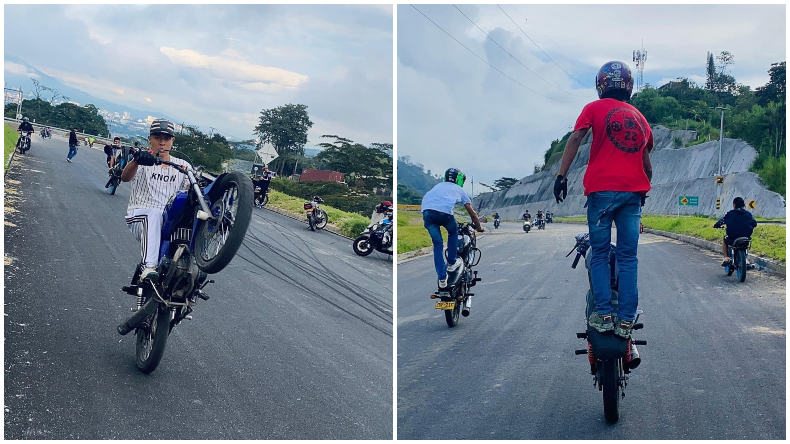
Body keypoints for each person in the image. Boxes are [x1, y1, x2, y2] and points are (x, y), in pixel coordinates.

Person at [552, 60, 653, 339]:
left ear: (601, 85)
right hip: (632, 194)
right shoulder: (640, 118)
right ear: (629, 86)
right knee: (628, 256)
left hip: (601, 192)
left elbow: (575, 139)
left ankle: (604, 314)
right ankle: (626, 320)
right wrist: (643, 190)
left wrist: (561, 176)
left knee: (599, 252)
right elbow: (647, 163)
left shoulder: (593, 108)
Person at [121, 119, 192, 281]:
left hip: (169, 220)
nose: (162, 142)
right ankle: (149, 267)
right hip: (140, 214)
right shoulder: (143, 160)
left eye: (166, 138)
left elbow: (190, 190)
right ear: (150, 139)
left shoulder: (182, 165)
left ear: (172, 141)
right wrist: (137, 160)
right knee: (154, 213)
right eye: (157, 137)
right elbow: (125, 178)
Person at [421, 168, 484, 289]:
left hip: (427, 213)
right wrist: (479, 227)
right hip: (443, 214)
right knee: (453, 231)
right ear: (459, 179)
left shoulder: (438, 186)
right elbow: (472, 213)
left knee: (438, 245)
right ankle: (451, 262)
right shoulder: (459, 190)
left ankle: (442, 278)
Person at [713, 197, 757, 266]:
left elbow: (721, 221)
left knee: (725, 239)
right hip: (745, 237)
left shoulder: (730, 214)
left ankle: (726, 258)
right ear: (743, 205)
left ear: (734, 205)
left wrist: (716, 225)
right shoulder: (748, 214)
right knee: (746, 245)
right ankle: (745, 259)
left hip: (732, 238)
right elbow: (754, 223)